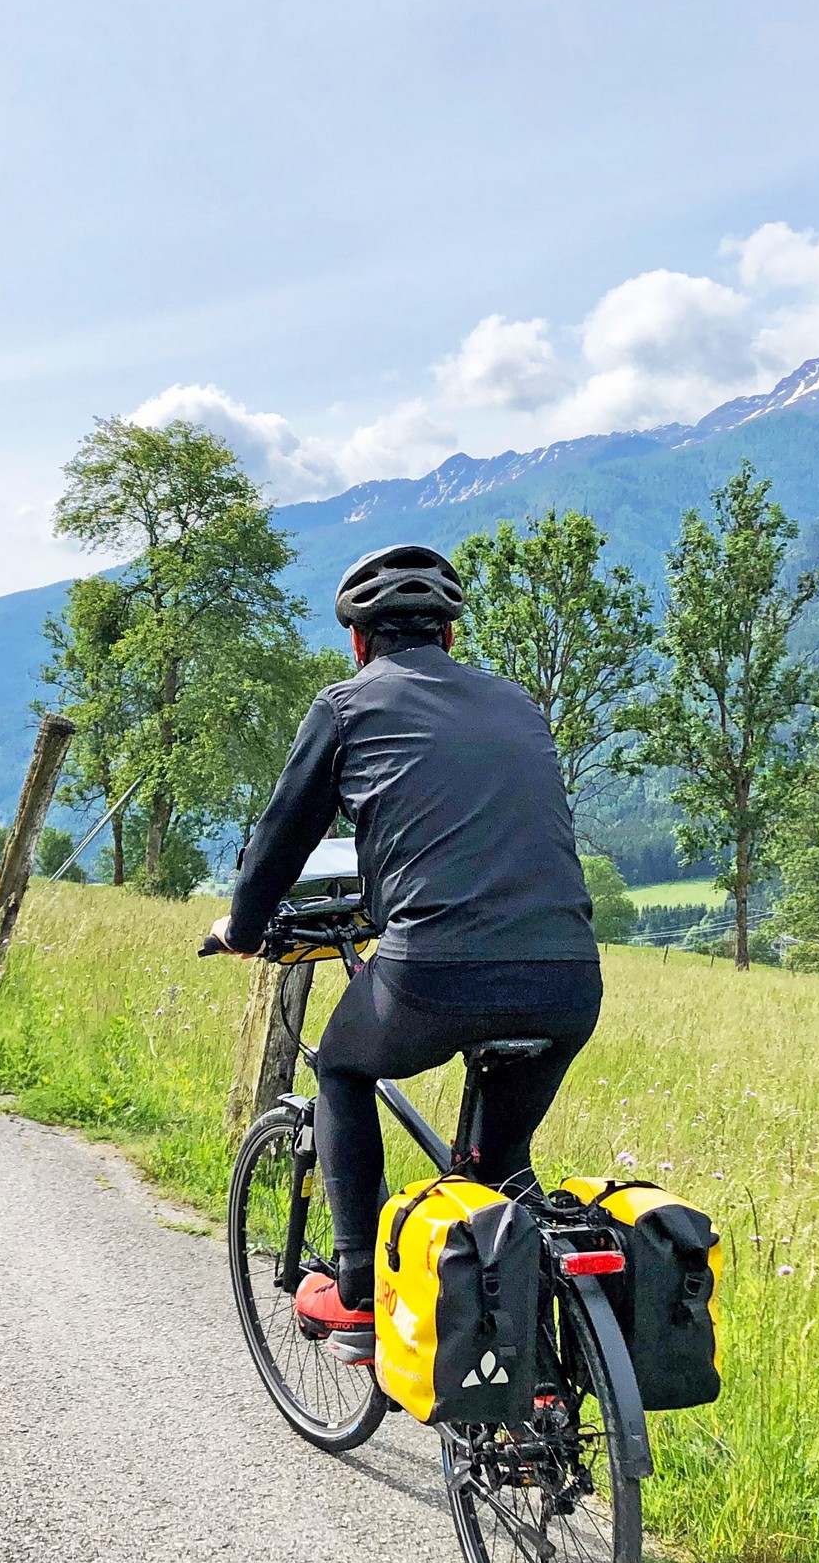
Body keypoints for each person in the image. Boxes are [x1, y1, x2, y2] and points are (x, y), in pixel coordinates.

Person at [206, 542, 602, 1365]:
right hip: (569, 975)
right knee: (496, 1172)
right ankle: (527, 1379)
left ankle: (359, 1294)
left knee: (344, 1069)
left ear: (359, 643)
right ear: (451, 638)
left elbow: (283, 838)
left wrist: (242, 932)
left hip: (435, 972)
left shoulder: (345, 706)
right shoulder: (521, 704)